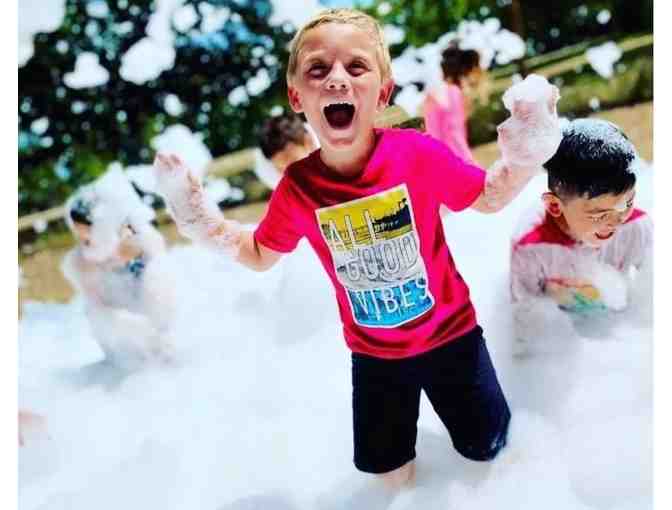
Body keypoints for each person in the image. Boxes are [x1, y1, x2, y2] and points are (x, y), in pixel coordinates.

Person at [153, 8, 561, 490]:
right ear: (296, 96)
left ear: (383, 92)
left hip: (452, 338)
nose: (337, 79)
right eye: (317, 69)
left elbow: (487, 197)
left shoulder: (415, 153)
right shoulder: (299, 187)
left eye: (356, 66)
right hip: (375, 357)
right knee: (390, 476)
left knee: (489, 450)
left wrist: (527, 152)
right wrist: (200, 221)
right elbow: (260, 254)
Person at [510, 119, 653, 353]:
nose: (616, 220)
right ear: (555, 206)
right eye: (599, 214)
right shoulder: (531, 247)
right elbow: (523, 324)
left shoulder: (637, 226)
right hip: (563, 344)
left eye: (627, 203)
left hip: (616, 333)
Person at [62, 168, 176, 372]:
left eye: (89, 236)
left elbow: (165, 293)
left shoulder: (142, 243)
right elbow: (98, 310)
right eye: (82, 239)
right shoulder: (82, 261)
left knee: (157, 283)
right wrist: (130, 324)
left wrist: (157, 333)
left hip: (162, 332)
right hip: (123, 348)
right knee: (101, 317)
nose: (87, 244)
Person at [423, 45, 483, 163]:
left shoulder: (435, 94)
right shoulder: (453, 93)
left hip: (439, 158)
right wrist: (469, 162)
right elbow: (454, 132)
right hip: (452, 160)